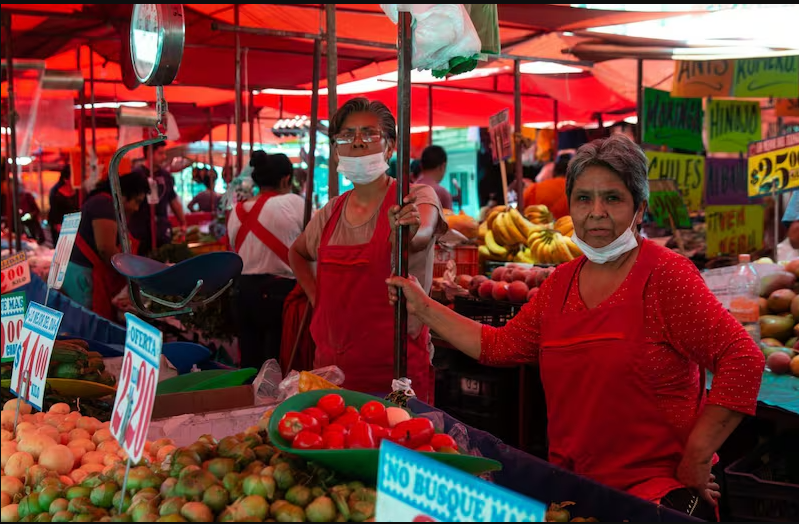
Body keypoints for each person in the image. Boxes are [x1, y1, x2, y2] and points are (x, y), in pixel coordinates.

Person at [388, 134, 764, 518]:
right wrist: (423, 305)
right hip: (575, 491)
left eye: (612, 198)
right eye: (584, 198)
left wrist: (698, 458)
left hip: (654, 492)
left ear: (640, 208)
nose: (596, 211)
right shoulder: (559, 284)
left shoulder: (666, 276)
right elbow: (499, 347)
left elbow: (743, 359)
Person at [289, 97, 446, 402]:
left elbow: (422, 234)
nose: (357, 143)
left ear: (390, 146)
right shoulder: (330, 212)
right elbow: (297, 253)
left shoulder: (416, 196)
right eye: (347, 136)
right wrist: (316, 296)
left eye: (369, 134)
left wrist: (410, 231)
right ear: (336, 150)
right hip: (332, 376)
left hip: (396, 377)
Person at [227, 152, 305, 370]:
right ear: (286, 179)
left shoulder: (237, 210)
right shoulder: (294, 203)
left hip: (243, 293)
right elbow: (314, 243)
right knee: (279, 365)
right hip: (280, 293)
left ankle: (249, 402)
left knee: (250, 364)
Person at [62, 172, 149, 319]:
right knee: (87, 327)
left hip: (79, 273)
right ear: (125, 194)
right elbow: (105, 248)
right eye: (136, 201)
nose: (136, 208)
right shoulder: (104, 204)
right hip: (84, 277)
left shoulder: (102, 202)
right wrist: (130, 277)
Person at [129, 141, 187, 256]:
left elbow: (173, 200)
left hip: (162, 228)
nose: (164, 157)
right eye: (160, 153)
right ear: (149, 153)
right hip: (140, 230)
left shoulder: (166, 176)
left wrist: (183, 222)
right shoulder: (136, 175)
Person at [524, 153, 572, 219]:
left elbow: (518, 213)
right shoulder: (576, 191)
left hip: (533, 227)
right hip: (566, 228)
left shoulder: (534, 188)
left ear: (554, 172)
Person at [48, 165, 79, 245]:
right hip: (60, 226)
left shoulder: (78, 190)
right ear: (66, 179)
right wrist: (57, 225)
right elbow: (54, 211)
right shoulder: (56, 192)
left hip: (75, 225)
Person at [416, 145, 453, 210]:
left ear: (421, 166)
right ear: (443, 166)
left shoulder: (410, 188)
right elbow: (449, 219)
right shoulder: (442, 193)